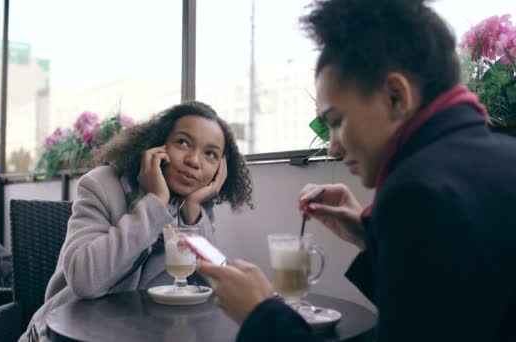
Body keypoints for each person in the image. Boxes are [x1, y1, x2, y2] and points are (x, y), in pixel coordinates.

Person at [198, 0, 516, 341]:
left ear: (396, 96)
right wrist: (369, 235)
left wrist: (260, 314)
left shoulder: (418, 191)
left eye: (336, 121)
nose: (333, 146)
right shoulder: (499, 158)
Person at [21, 101, 253, 341]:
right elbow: (85, 281)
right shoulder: (101, 184)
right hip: (66, 335)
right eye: (183, 142)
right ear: (158, 143)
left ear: (219, 169)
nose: (194, 160)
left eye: (210, 154)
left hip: (139, 334)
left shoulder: (193, 205)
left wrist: (192, 215)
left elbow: (215, 287)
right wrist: (155, 203)